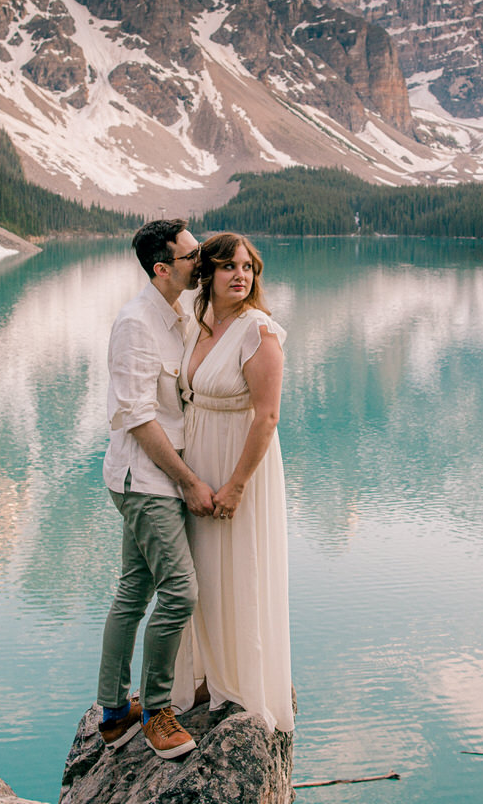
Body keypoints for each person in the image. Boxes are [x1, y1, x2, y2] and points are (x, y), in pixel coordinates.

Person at [95, 219, 214, 759]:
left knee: (133, 591)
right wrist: (187, 480)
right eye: (193, 255)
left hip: (155, 478)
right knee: (180, 593)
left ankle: (115, 713)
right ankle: (159, 712)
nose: (202, 259)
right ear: (161, 267)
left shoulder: (179, 311)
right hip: (147, 481)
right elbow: (141, 419)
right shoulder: (136, 324)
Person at [180, 232, 294, 734]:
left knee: (239, 567)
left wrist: (237, 485)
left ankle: (243, 683)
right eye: (228, 266)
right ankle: (204, 674)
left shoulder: (259, 331)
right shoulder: (199, 324)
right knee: (200, 570)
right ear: (207, 273)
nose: (240, 275)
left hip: (239, 464)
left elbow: (266, 417)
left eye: (247, 267)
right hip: (197, 463)